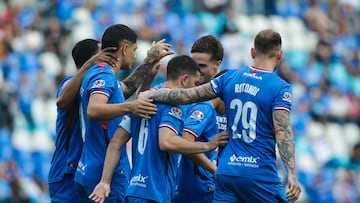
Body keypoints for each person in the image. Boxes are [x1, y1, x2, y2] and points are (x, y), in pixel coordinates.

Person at [139, 29, 302, 203]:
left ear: (252, 52)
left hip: (227, 172)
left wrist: (152, 94)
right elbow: (283, 131)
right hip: (259, 172)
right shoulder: (280, 88)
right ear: (279, 54)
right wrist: (291, 174)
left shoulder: (229, 78)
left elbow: (187, 96)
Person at [88, 55, 229, 203]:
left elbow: (116, 142)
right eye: (194, 84)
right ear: (184, 79)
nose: (193, 91)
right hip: (154, 192)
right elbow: (166, 142)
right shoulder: (173, 107)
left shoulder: (141, 103)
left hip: (134, 191)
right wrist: (207, 145)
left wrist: (105, 181)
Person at [74, 24, 173, 203]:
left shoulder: (95, 73)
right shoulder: (104, 75)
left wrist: (148, 64)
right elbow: (94, 110)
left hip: (88, 167)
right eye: (134, 50)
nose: (134, 55)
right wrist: (131, 107)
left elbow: (125, 89)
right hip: (105, 173)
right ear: (125, 48)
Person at [48, 38, 119, 203]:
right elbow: (62, 102)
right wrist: (89, 65)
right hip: (66, 169)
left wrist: (147, 67)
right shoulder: (68, 84)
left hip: (84, 169)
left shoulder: (95, 86)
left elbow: (124, 88)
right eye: (102, 55)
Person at [173, 35, 226, 203]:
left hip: (217, 189)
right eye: (193, 64)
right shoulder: (180, 94)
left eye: (202, 66)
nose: (196, 71)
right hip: (191, 188)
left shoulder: (228, 97)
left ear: (218, 64)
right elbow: (185, 141)